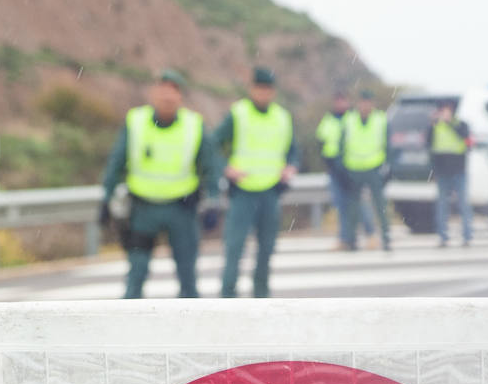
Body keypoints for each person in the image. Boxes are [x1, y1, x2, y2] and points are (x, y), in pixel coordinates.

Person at [100, 69, 221, 298]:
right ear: (153, 93)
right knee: (136, 274)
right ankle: (130, 318)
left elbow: (210, 165)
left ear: (180, 96)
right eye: (163, 90)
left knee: (187, 276)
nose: (167, 96)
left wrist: (213, 199)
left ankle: (189, 319)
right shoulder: (135, 121)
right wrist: (106, 197)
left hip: (181, 208)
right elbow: (116, 161)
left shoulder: (193, 124)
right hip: (143, 209)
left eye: (173, 91)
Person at [213, 66, 300, 298]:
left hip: (271, 192)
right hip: (243, 192)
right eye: (260, 88)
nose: (263, 93)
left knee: (267, 249)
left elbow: (293, 151)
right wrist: (225, 168)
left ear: (273, 91)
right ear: (252, 89)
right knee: (235, 248)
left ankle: (261, 298)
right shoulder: (238, 113)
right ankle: (227, 298)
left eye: (268, 89)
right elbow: (213, 144)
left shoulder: (282, 117)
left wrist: (291, 166)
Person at [316, 91, 374, 248]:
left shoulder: (353, 119)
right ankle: (346, 239)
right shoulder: (328, 120)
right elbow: (321, 142)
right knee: (341, 205)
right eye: (338, 101)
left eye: (343, 101)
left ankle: (370, 234)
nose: (341, 104)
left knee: (358, 204)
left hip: (351, 168)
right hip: (335, 169)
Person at [340, 88, 391, 252]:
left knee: (380, 205)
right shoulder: (349, 119)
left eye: (368, 103)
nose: (365, 106)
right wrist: (343, 169)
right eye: (363, 103)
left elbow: (388, 145)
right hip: (353, 168)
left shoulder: (380, 119)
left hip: (374, 167)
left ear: (372, 104)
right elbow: (341, 145)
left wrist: (388, 168)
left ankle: (386, 238)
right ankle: (352, 240)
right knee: (353, 208)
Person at [428, 99, 472, 247]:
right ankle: (443, 236)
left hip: (459, 170)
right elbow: (429, 145)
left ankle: (467, 236)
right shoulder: (436, 126)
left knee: (463, 204)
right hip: (442, 172)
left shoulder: (461, 124)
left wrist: (450, 124)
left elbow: (466, 140)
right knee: (442, 205)